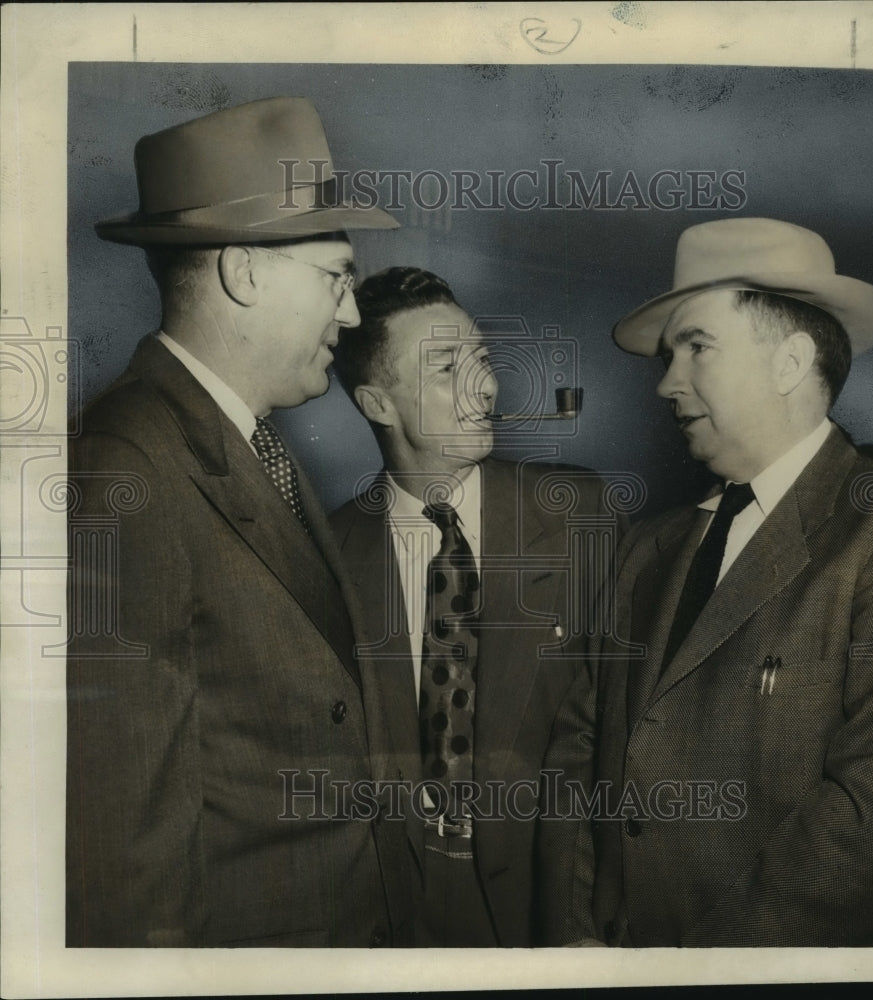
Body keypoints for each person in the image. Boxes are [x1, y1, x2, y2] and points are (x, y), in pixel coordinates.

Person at [542, 217, 873, 947]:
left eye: (695, 347)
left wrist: (704, 971)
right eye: (667, 357)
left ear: (789, 362)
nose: (667, 383)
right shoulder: (649, 548)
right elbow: (580, 755)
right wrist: (582, 942)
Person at [65, 97, 414, 947]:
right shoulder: (127, 465)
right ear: (244, 273)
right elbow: (124, 843)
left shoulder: (242, 438)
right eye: (337, 277)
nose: (352, 314)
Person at [329, 267, 626, 946]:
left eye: (482, 360)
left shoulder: (583, 516)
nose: (486, 387)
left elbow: (618, 734)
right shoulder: (325, 554)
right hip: (391, 914)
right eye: (445, 366)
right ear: (378, 404)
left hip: (551, 902)